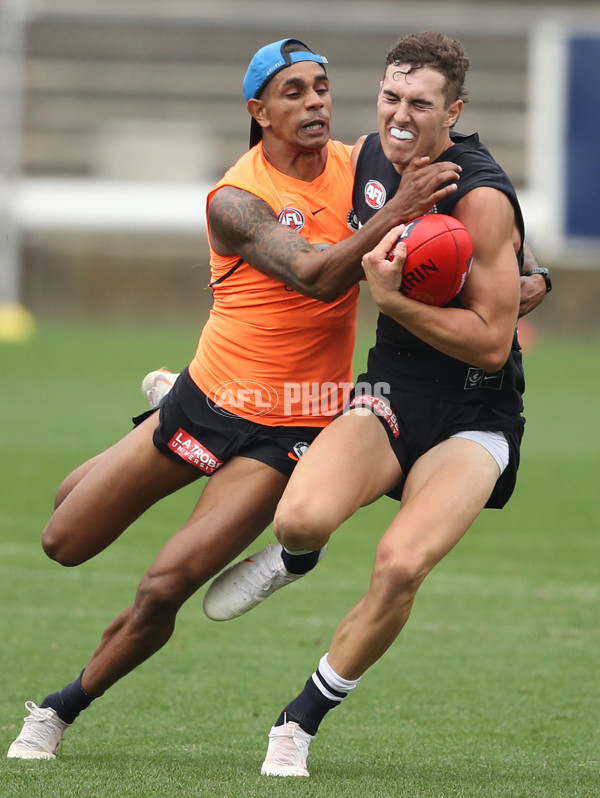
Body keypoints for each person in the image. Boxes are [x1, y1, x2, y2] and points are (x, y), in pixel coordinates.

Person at [6, 38, 462, 760]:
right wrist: (391, 213)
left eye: (321, 87)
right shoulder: (235, 199)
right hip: (205, 399)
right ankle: (158, 420)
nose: (314, 102)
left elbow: (463, 181)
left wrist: (528, 272)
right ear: (259, 111)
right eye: (293, 92)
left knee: (164, 588)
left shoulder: (360, 169)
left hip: (288, 430)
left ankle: (60, 709)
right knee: (63, 540)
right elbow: (314, 275)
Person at [202, 31, 534, 777]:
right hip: (390, 392)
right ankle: (295, 557)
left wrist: (394, 298)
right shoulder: (370, 159)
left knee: (399, 566)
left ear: (456, 109)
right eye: (391, 97)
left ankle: (299, 721)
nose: (401, 116)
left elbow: (488, 342)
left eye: (421, 103)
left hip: (476, 412)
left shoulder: (480, 195)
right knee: (299, 515)